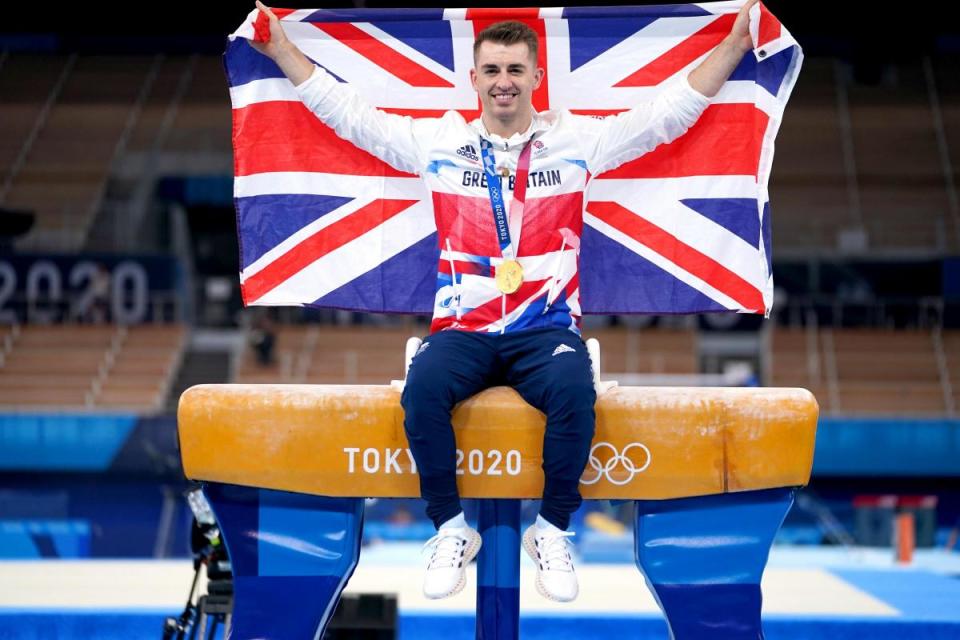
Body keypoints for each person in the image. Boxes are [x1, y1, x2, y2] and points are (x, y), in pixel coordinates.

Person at [250, 0, 759, 602]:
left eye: (515, 70)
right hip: (463, 328)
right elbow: (350, 116)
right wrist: (282, 49)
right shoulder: (437, 142)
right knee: (422, 391)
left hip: (545, 327)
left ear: (537, 78)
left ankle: (552, 529)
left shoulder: (578, 141)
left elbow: (667, 115)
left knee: (574, 392)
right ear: (474, 79)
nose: (503, 83)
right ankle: (449, 528)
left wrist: (734, 42)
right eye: (492, 71)